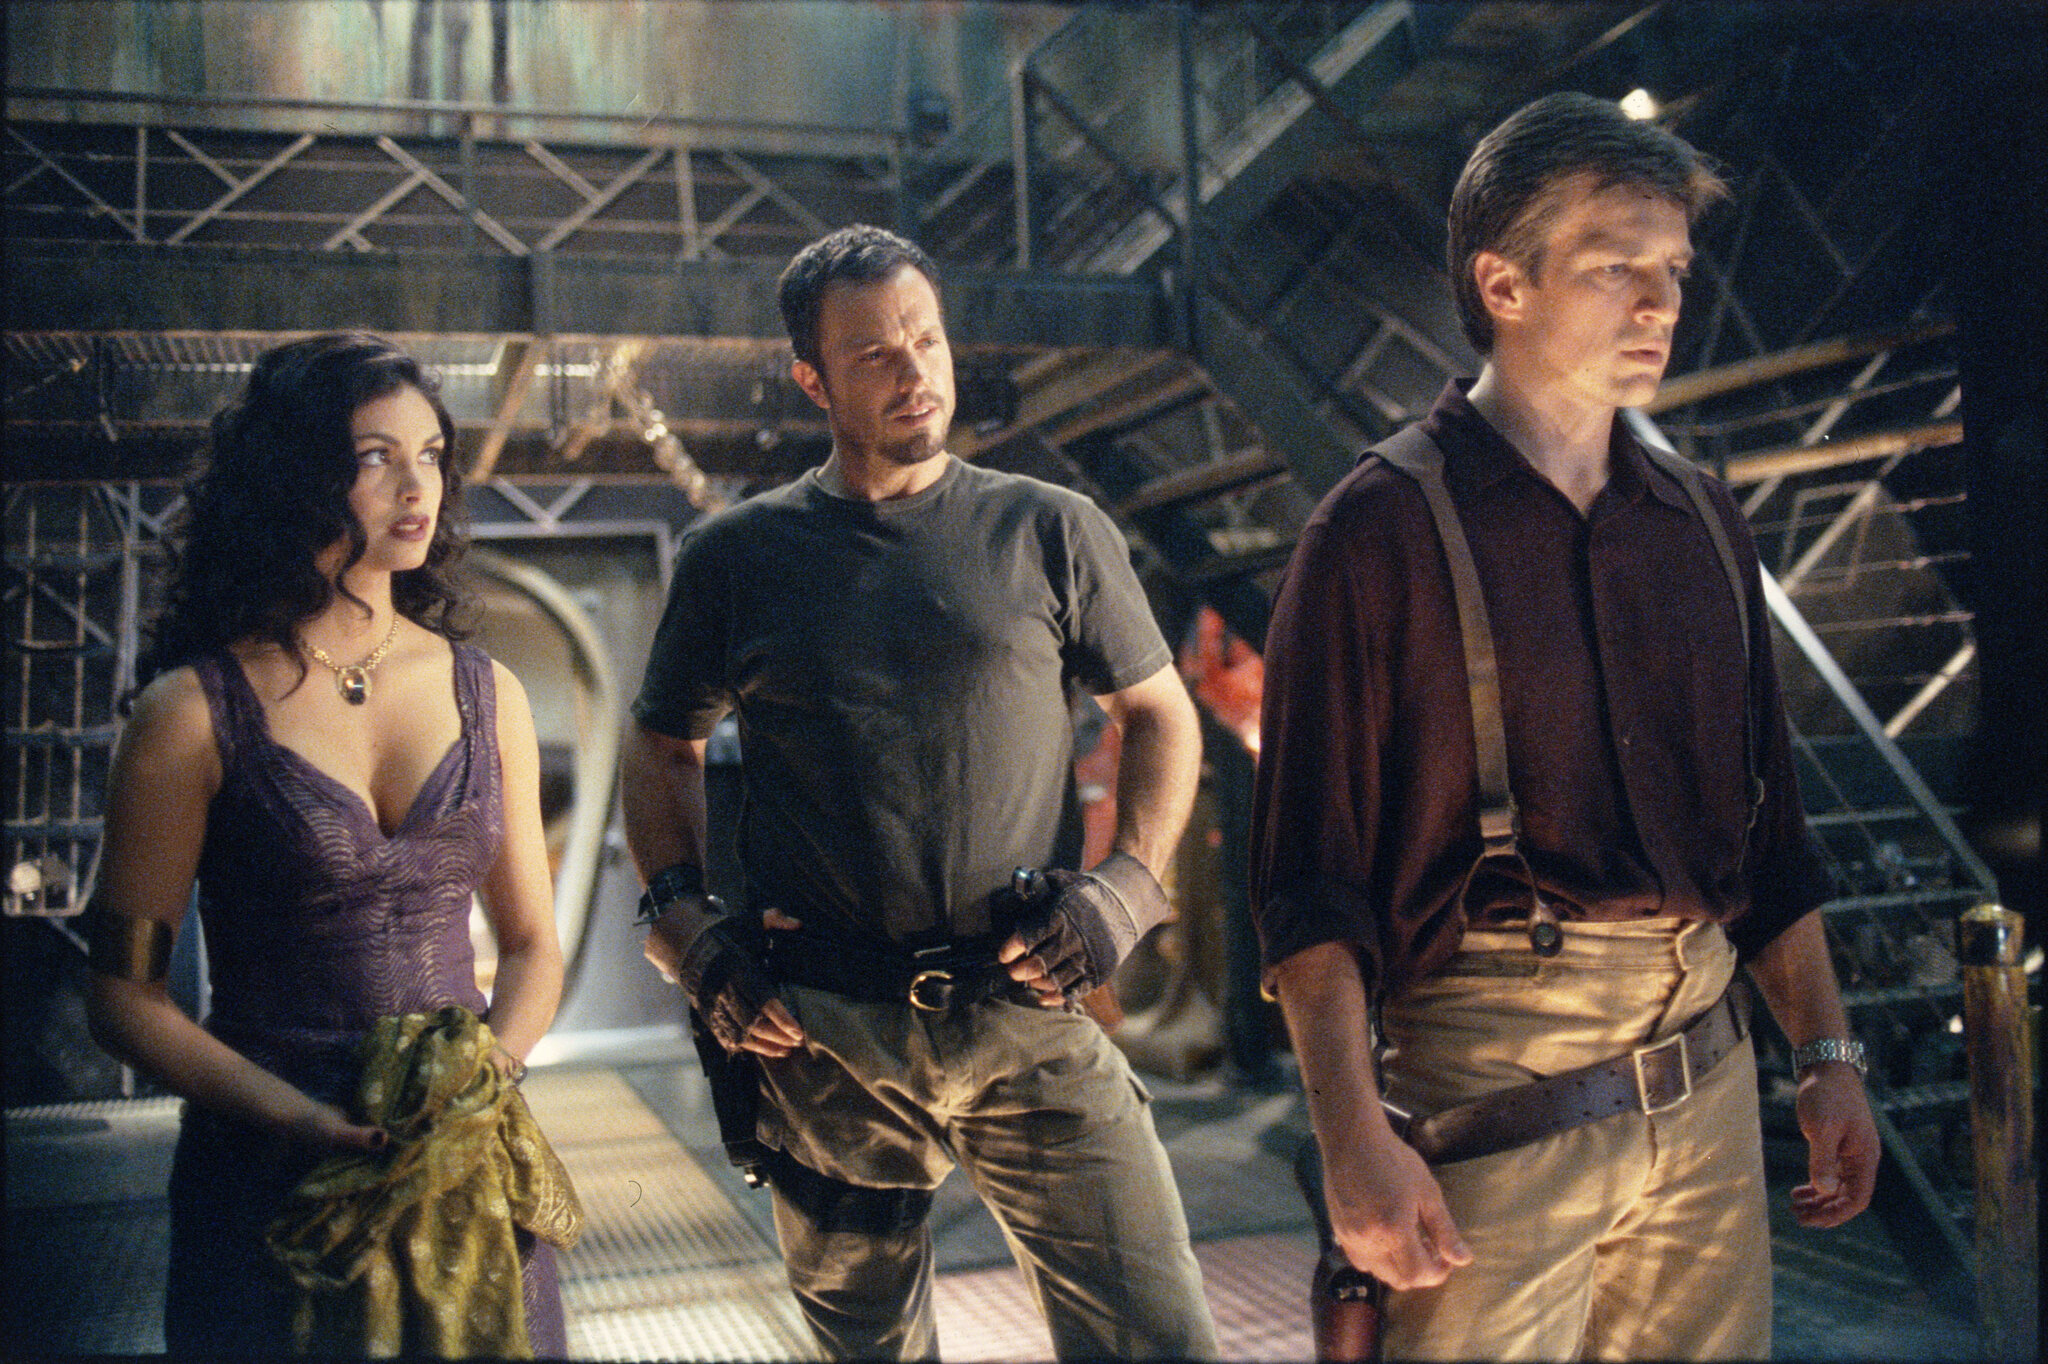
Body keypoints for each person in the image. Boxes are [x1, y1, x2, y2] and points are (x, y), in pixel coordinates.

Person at [1251, 92, 1881, 1361]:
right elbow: (1309, 883)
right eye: (1611, 268)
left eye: (1671, 270)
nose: (1657, 303)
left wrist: (1824, 1052)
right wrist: (1350, 1135)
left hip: (1705, 1077)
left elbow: (1769, 839)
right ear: (1502, 283)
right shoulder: (1374, 531)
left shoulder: (1702, 522)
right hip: (1492, 1084)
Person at [622, 224, 1220, 1361]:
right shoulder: (737, 557)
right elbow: (660, 747)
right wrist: (687, 930)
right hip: (825, 1036)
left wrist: (1129, 888)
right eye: (873, 355)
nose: (915, 372)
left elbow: (1160, 712)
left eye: (927, 340)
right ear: (812, 381)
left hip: (1026, 1007)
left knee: (1156, 1336)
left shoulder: (1047, 528)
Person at [83, 333, 573, 1357]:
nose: (416, 485)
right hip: (274, 1179)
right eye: (375, 457)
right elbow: (124, 997)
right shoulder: (189, 714)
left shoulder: (489, 695)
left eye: (430, 454)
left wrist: (481, 1080)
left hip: (464, 1174)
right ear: (295, 476)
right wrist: (295, 1119)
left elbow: (533, 944)